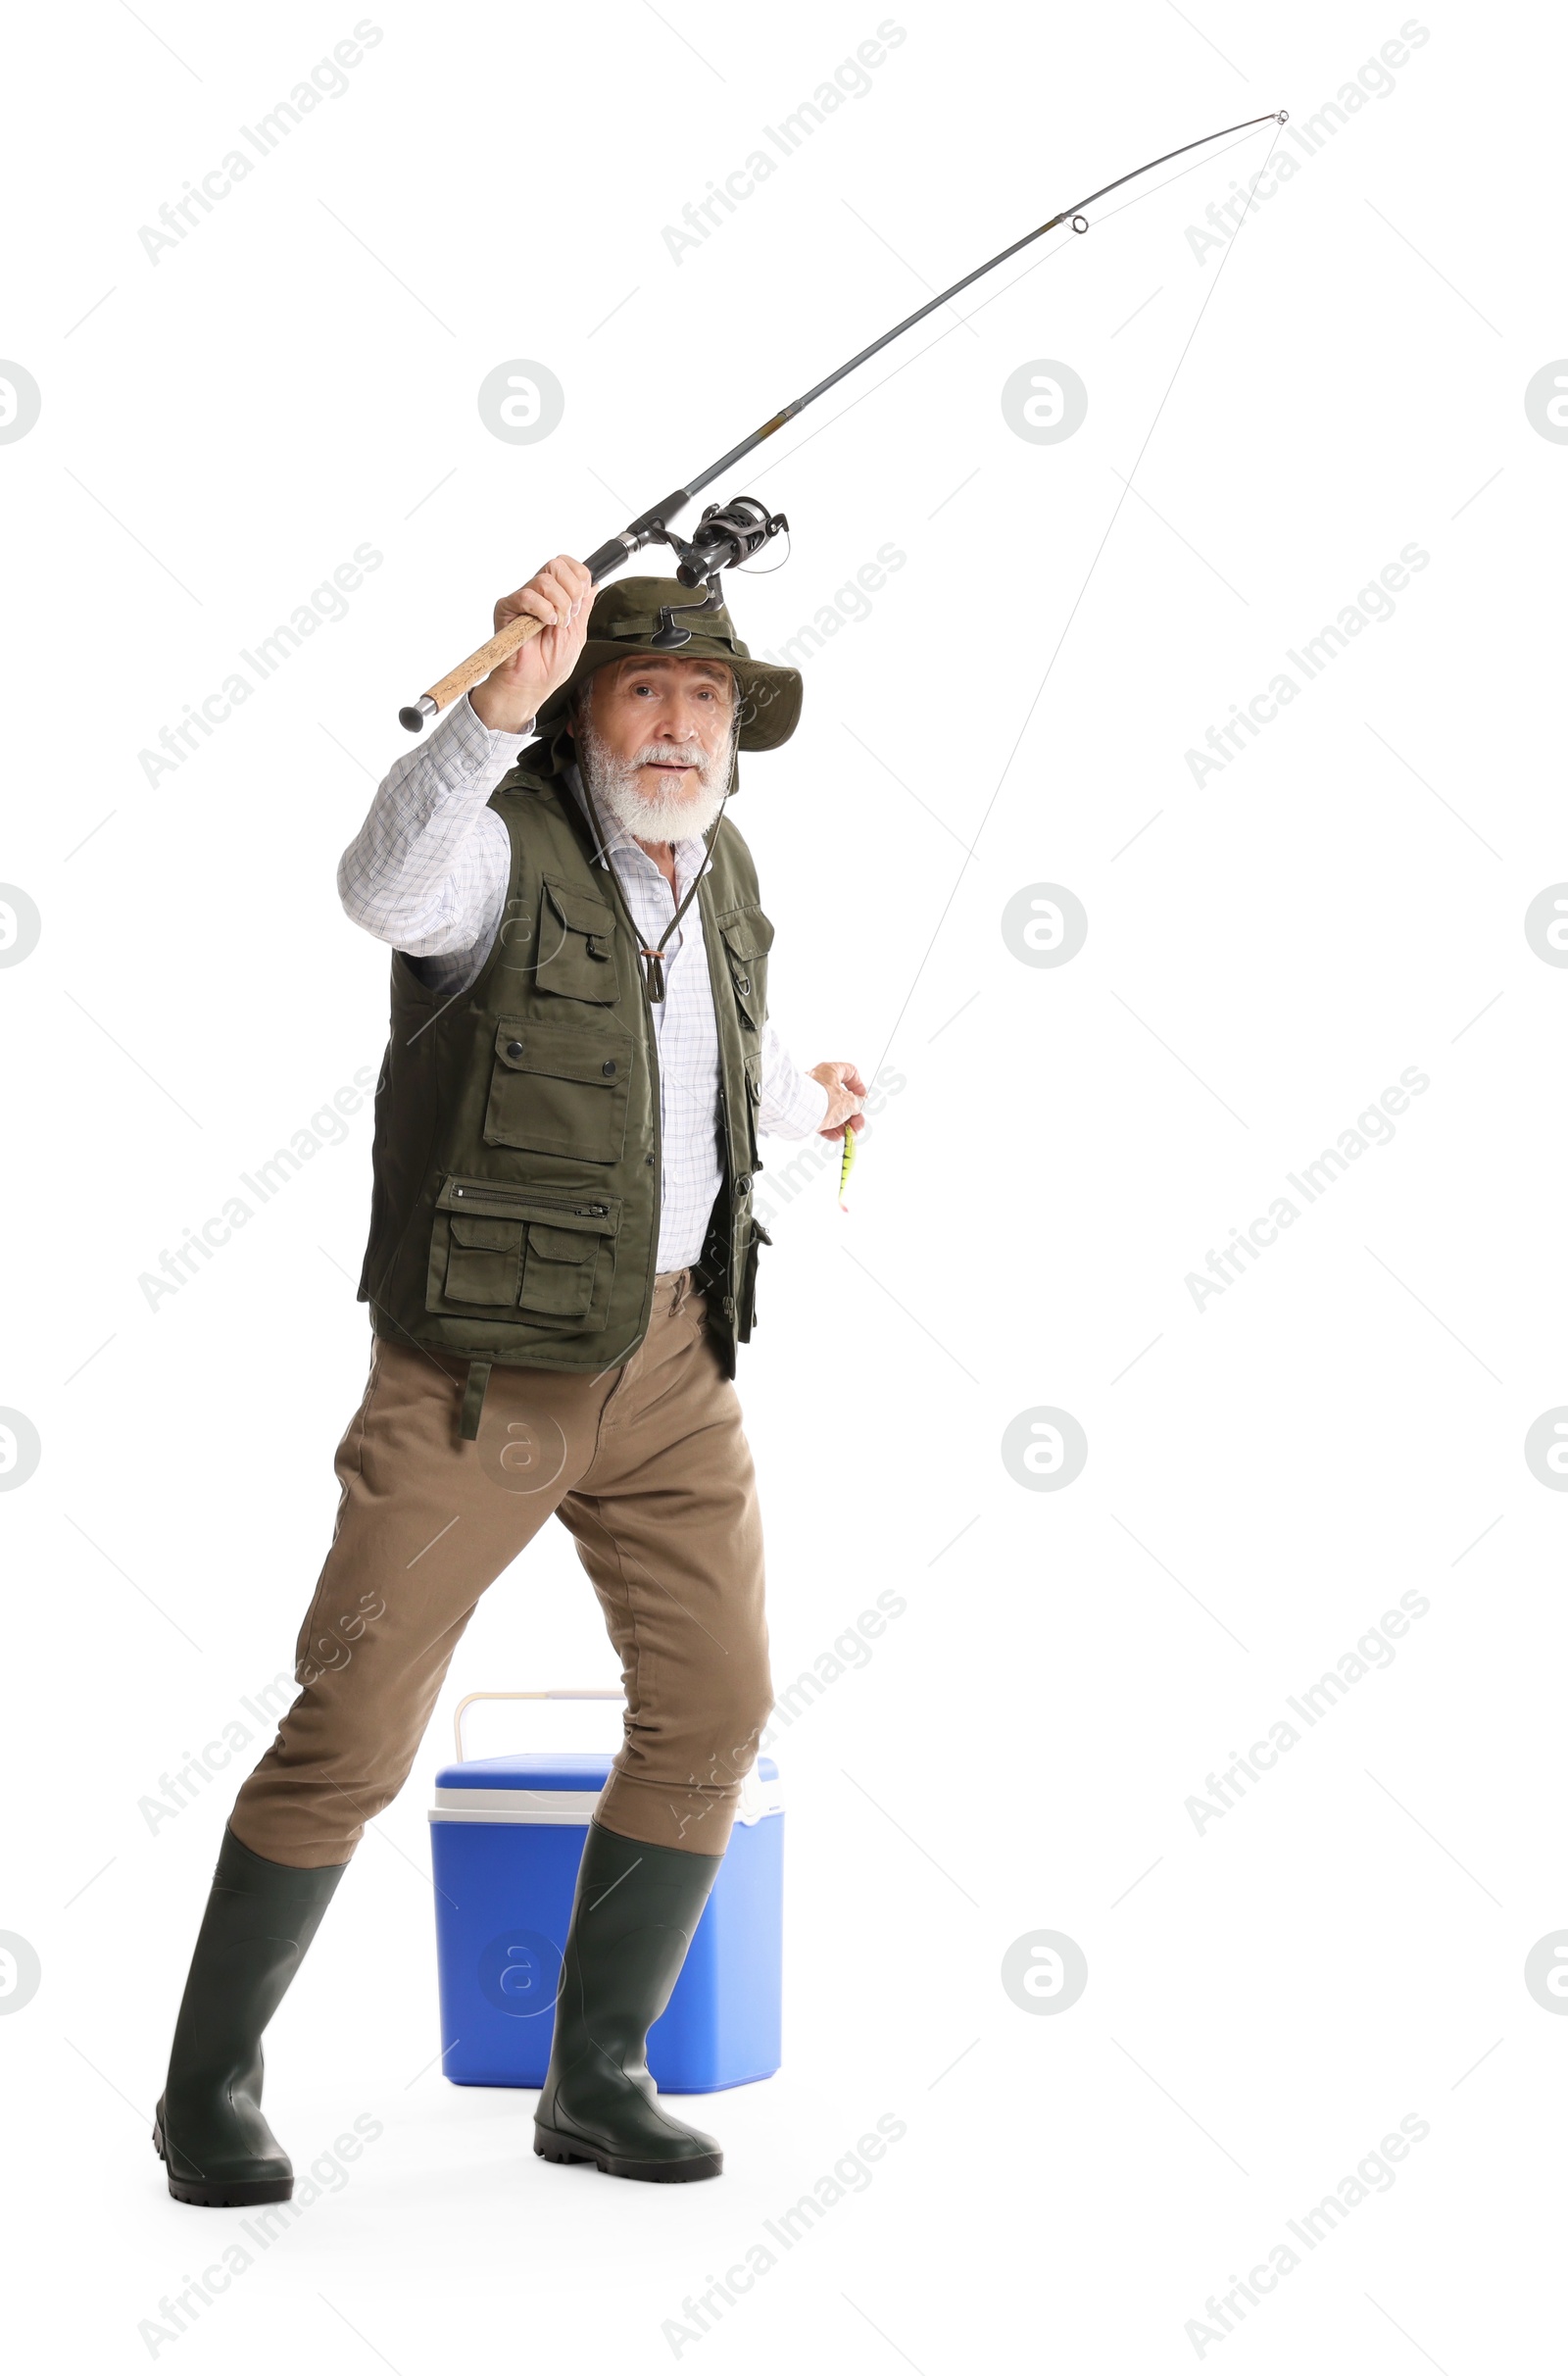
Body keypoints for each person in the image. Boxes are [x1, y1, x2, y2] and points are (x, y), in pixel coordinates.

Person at [154, 558, 864, 2201]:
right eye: (643, 693)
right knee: (352, 1723)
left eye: (707, 701)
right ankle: (207, 2090)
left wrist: (801, 1122)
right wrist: (489, 708)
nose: (680, 726)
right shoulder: (492, 856)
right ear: (582, 717)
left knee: (714, 1709)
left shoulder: (727, 871)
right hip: (477, 1383)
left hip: (677, 1362)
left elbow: (665, 1116)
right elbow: (379, 885)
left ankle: (596, 2075)